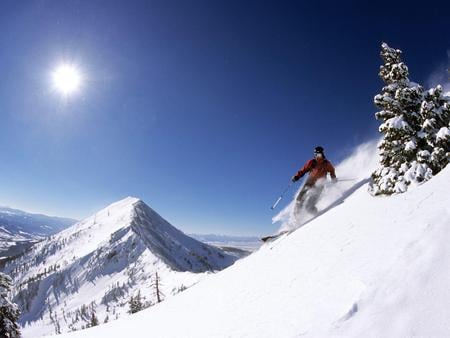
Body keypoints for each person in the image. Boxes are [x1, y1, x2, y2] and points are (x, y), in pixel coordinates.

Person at [291, 146, 337, 214]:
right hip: (310, 181)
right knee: (300, 198)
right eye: (315, 154)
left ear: (322, 154)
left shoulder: (326, 163)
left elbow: (332, 171)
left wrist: (333, 178)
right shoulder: (312, 162)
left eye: (318, 155)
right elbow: (303, 170)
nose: (317, 156)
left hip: (320, 185)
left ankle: (316, 216)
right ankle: (296, 214)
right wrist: (297, 176)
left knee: (309, 206)